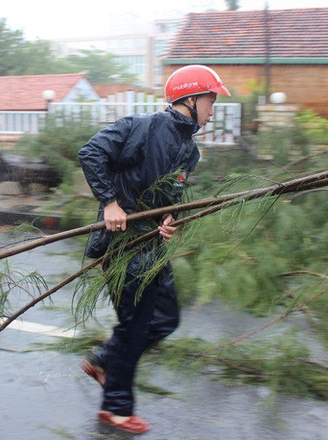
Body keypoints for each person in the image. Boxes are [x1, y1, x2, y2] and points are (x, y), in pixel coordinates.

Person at [78, 65, 231, 434]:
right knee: (135, 327)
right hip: (123, 246)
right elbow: (91, 153)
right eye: (211, 100)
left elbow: (169, 196)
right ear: (191, 99)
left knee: (166, 319)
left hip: (152, 247)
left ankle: (104, 360)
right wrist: (110, 203)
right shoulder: (141, 127)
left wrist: (169, 220)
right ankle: (115, 408)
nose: (214, 108)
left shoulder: (189, 151)